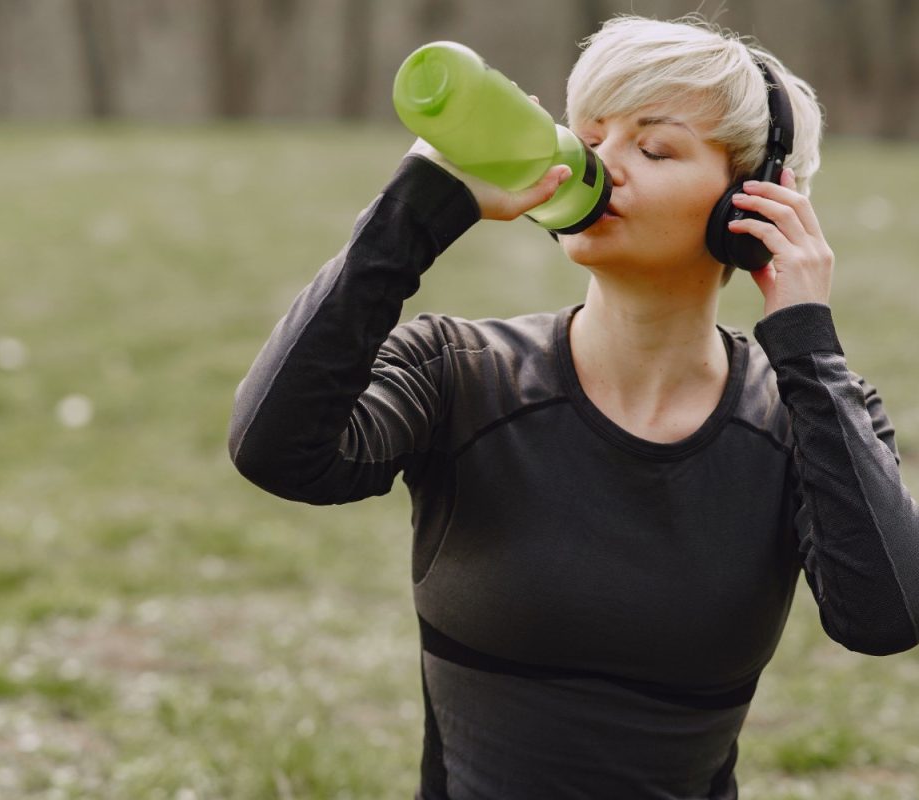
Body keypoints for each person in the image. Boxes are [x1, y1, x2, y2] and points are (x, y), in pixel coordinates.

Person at [228, 14, 919, 800]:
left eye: (653, 148)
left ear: (748, 207)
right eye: (590, 136)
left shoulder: (806, 410)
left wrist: (806, 341)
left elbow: (885, 616)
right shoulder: (461, 372)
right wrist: (412, 211)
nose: (602, 164)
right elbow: (277, 451)